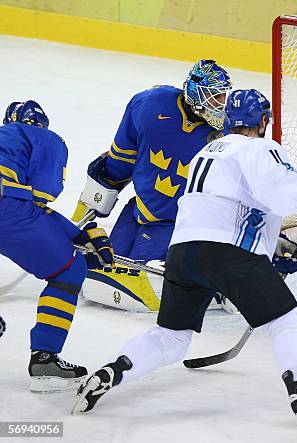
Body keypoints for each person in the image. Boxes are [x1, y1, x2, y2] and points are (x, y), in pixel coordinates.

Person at [72, 89, 297, 426]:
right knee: (287, 321)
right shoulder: (260, 148)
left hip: (182, 253)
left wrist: (268, 253)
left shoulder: (207, 151)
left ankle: (112, 371)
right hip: (227, 255)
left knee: (170, 338)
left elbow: (232, 207)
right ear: (262, 121)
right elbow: (281, 196)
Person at [71, 59, 236, 312]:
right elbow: (121, 160)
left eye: (223, 98)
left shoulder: (228, 134)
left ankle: (215, 283)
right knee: (103, 265)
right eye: (215, 98)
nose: (220, 106)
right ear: (196, 94)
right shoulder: (150, 105)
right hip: (138, 211)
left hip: (180, 223)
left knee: (137, 279)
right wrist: (80, 221)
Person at [0, 100, 114, 392]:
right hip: (8, 211)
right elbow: (37, 199)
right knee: (69, 270)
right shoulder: (44, 138)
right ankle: (44, 359)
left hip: (10, 207)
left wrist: (76, 235)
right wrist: (79, 239)